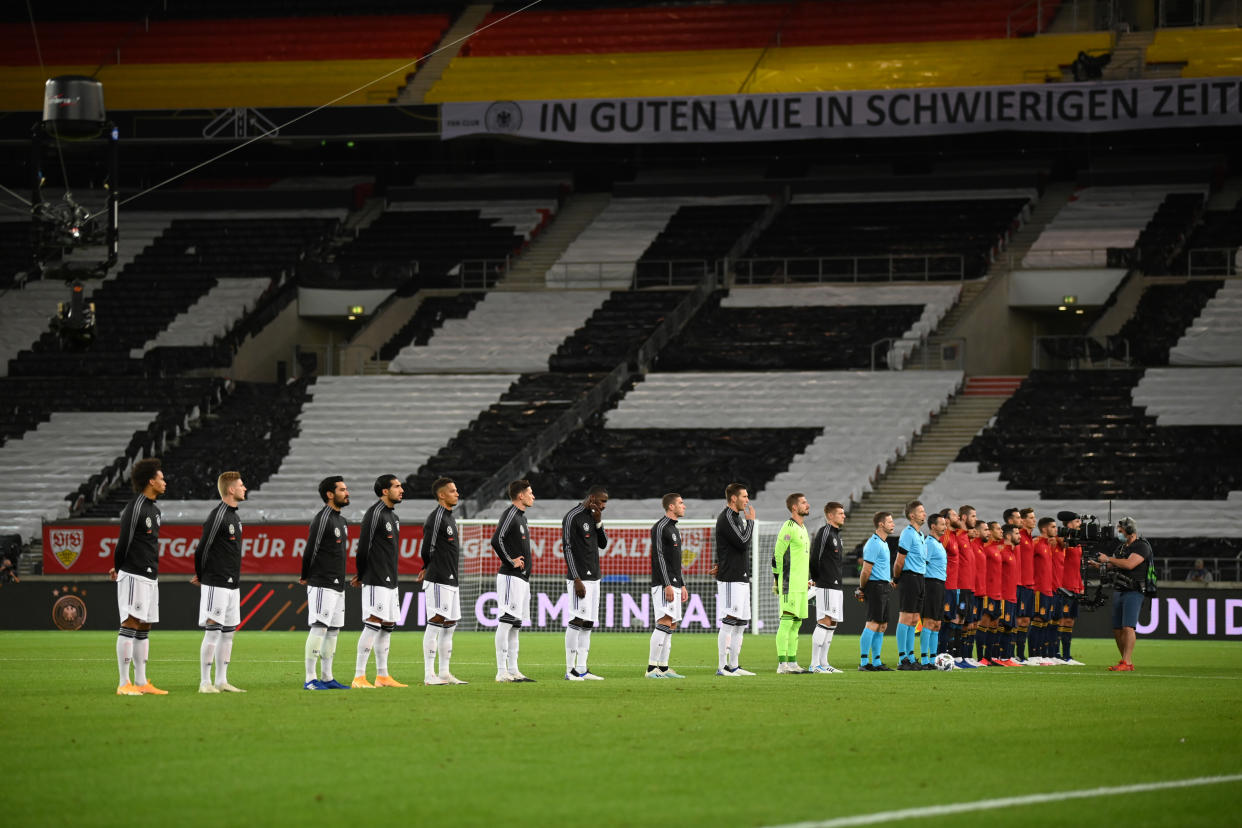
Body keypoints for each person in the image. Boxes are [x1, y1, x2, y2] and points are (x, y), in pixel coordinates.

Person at [111, 457, 167, 696]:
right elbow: (123, 541)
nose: (165, 482)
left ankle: (142, 682)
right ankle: (124, 683)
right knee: (130, 623)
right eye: (161, 478)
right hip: (133, 574)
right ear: (151, 481)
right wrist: (118, 567)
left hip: (149, 576)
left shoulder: (155, 511)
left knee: (145, 626)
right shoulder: (135, 508)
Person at [192, 470, 247, 694]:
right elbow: (202, 548)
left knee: (229, 633)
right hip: (216, 582)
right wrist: (202, 574)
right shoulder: (218, 515)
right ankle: (205, 682)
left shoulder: (234, 516)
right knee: (213, 631)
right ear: (231, 489)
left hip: (233, 583)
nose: (244, 488)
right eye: (241, 485)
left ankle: (221, 680)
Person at [351, 474, 407, 689]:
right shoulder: (375, 514)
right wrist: (361, 573)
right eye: (397, 486)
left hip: (391, 579)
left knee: (388, 625)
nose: (401, 490)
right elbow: (363, 545)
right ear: (385, 491)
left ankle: (383, 676)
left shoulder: (394, 517)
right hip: (375, 578)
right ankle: (359, 677)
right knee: (373, 622)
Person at [300, 476, 351, 690]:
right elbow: (311, 548)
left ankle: (328, 677)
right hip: (322, 582)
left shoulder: (341, 520)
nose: (347, 493)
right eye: (342, 489)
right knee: (319, 627)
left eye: (346, 489)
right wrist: (306, 575)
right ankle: (310, 678)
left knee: (333, 630)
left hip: (338, 583)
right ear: (330, 495)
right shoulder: (323, 519)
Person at [421, 477, 467, 685]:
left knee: (450, 624)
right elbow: (428, 547)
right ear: (441, 495)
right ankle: (429, 674)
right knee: (436, 621)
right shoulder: (437, 517)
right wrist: (426, 566)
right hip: (439, 577)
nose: (457, 493)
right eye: (452, 491)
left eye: (456, 490)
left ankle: (444, 673)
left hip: (451, 579)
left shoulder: (450, 517)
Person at [562, 486, 609, 681]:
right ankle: (570, 669)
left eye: (605, 502)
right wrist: (576, 578)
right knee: (577, 620)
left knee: (589, 622)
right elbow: (567, 547)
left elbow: (603, 544)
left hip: (595, 577)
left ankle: (582, 668)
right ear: (591, 498)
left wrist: (599, 523)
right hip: (579, 578)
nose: (604, 506)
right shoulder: (572, 516)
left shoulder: (593, 517)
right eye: (601, 501)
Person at [493, 479, 536, 683]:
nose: (533, 496)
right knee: (506, 621)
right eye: (530, 493)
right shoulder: (510, 514)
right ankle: (501, 671)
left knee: (516, 625)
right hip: (510, 577)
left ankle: (514, 669)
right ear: (521, 496)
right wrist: (510, 561)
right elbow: (496, 539)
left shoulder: (521, 517)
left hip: (522, 579)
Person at [712, 483, 757, 677]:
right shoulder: (728, 518)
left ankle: (734, 665)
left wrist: (717, 561)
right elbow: (742, 542)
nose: (747, 500)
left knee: (741, 622)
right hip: (731, 578)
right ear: (733, 498)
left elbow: (725, 545)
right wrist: (751, 522)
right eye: (744, 496)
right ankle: (722, 667)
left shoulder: (736, 519)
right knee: (730, 620)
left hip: (740, 576)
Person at [1096, 517, 1152, 672]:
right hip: (1120, 589)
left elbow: (1129, 564)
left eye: (1120, 530)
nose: (1118, 533)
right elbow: (1111, 564)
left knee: (1128, 626)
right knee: (1117, 628)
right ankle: (1125, 661)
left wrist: (1108, 558)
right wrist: (1099, 564)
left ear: (1129, 530)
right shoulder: (1121, 548)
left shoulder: (1141, 546)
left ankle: (1126, 662)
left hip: (1134, 590)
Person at [647, 493, 688, 679]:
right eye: (680, 503)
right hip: (664, 583)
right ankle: (651, 668)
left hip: (674, 583)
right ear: (671, 507)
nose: (684, 506)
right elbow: (658, 557)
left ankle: (663, 668)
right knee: (664, 621)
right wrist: (667, 584)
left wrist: (682, 584)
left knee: (671, 625)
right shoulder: (660, 527)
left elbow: (675, 561)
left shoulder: (674, 529)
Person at [773, 493, 811, 673]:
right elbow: (777, 556)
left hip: (801, 585)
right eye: (804, 503)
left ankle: (793, 662)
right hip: (789, 583)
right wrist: (777, 580)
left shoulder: (803, 528)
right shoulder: (788, 527)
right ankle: (782, 664)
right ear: (794, 507)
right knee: (787, 622)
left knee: (796, 624)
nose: (807, 505)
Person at [808, 501, 846, 673]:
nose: (843, 515)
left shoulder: (837, 535)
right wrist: (817, 579)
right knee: (824, 620)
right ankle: (814, 664)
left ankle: (824, 662)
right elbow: (815, 557)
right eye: (840, 513)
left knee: (832, 623)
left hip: (836, 584)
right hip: (826, 584)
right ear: (830, 515)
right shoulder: (825, 532)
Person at [856, 511, 894, 671]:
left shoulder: (883, 543)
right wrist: (862, 588)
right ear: (881, 524)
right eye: (890, 522)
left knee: (882, 625)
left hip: (884, 585)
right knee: (872, 623)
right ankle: (864, 662)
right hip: (875, 586)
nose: (893, 524)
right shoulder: (873, 543)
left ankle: (877, 661)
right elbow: (866, 571)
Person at [892, 500, 927, 670]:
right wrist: (897, 579)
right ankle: (902, 658)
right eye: (921, 511)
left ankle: (910, 656)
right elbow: (899, 561)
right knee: (906, 617)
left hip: (920, 578)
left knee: (914, 619)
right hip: (909, 578)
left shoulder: (920, 535)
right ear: (912, 515)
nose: (924, 514)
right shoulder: (908, 533)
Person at [920, 513, 948, 668]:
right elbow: (923, 563)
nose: (945, 527)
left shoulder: (938, 543)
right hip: (931, 584)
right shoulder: (929, 543)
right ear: (933, 526)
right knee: (929, 621)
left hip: (940, 584)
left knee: (937, 623)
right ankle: (925, 659)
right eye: (942, 524)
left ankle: (933, 658)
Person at [1029, 516, 1059, 664]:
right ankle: (1033, 655)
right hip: (1039, 589)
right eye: (1053, 527)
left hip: (1049, 589)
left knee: (1045, 622)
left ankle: (1041, 655)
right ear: (1044, 529)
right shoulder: (1036, 543)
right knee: (1038, 620)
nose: (1056, 529)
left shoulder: (1048, 545)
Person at [1057, 513, 1085, 665]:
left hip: (1074, 585)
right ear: (1069, 524)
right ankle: (1056, 653)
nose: (1080, 523)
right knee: (1060, 620)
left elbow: (1076, 566)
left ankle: (1067, 655)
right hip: (1064, 586)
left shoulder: (1077, 542)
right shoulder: (1062, 540)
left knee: (1069, 621)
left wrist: (1080, 584)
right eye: (1077, 521)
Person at [978, 521, 1004, 666]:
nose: (1001, 531)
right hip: (987, 592)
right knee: (984, 623)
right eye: (997, 529)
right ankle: (981, 657)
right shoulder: (986, 548)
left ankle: (989, 657)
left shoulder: (996, 548)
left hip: (998, 592)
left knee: (994, 625)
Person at [1012, 507, 1036, 663]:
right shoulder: (1018, 536)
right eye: (1031, 518)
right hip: (1018, 583)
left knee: (1026, 620)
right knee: (1017, 620)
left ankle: (1021, 654)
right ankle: (1011, 653)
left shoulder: (1030, 538)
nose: (1034, 520)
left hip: (1030, 584)